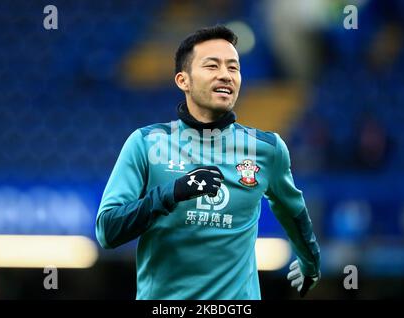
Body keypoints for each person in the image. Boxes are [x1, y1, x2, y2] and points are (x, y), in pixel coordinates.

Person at [95, 25, 320, 300]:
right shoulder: (145, 143)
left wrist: (310, 263)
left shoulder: (267, 149)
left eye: (233, 68)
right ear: (183, 80)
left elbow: (292, 210)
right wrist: (171, 192)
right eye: (212, 66)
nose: (225, 75)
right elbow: (107, 231)